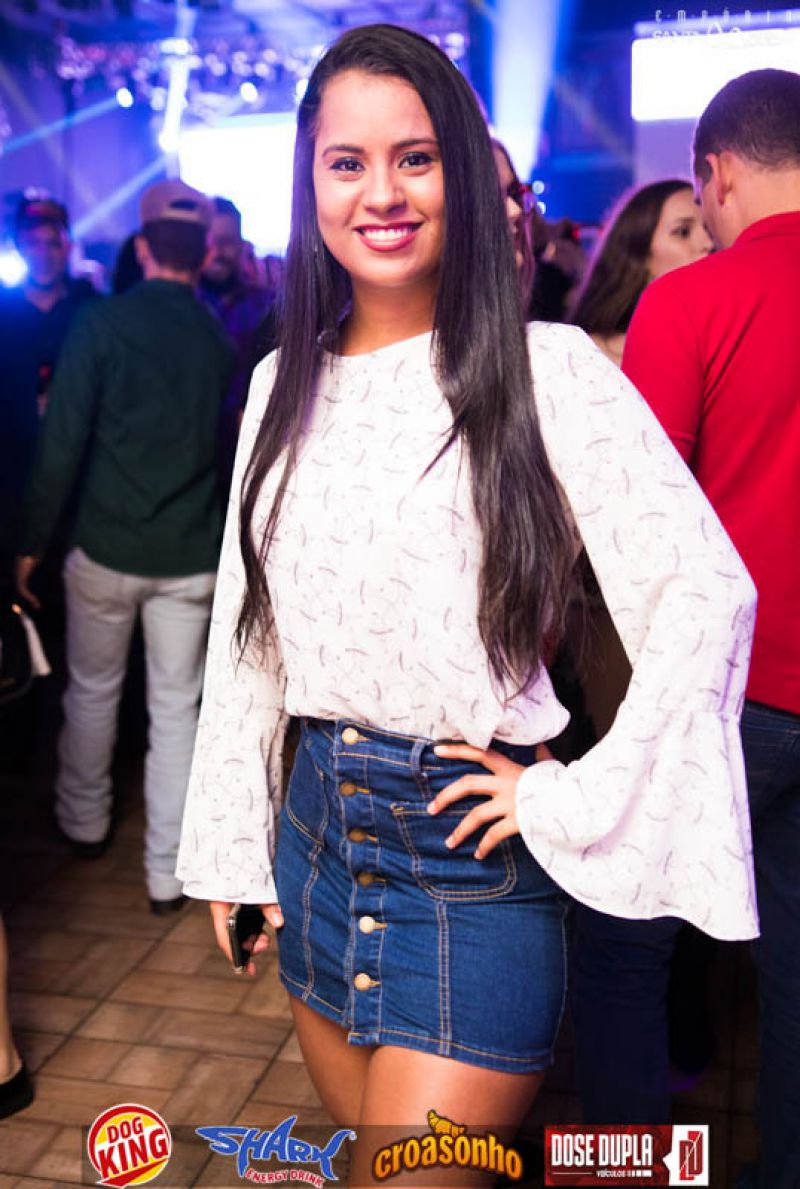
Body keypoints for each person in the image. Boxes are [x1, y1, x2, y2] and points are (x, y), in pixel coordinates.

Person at [177, 24, 757, 1186]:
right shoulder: (280, 381)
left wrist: (568, 790)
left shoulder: (548, 370)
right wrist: (231, 847)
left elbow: (707, 590)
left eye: (416, 158)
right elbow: (251, 633)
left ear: (463, 175)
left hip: (464, 863)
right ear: (308, 182)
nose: (381, 193)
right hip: (316, 839)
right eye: (346, 162)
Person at [614, 68, 800, 1189]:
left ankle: (631, 1175)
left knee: (621, 942)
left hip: (729, 692)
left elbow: (638, 527)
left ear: (716, 175)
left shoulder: (689, 301)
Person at [15, 180, 234, 912]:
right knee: (177, 713)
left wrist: (30, 544)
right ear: (202, 254)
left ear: (141, 249)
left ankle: (84, 826)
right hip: (191, 556)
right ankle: (167, 873)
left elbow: (62, 440)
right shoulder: (215, 337)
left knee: (92, 693)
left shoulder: (101, 323)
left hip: (105, 548)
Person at [0, 196, 95, 576]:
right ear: (20, 247)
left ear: (68, 246)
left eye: (52, 243)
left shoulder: (89, 308)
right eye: (34, 243)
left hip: (78, 478)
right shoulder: (5, 309)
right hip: (11, 471)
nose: (43, 254)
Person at [570, 179, 712, 366]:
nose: (708, 244)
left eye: (711, 230)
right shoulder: (589, 357)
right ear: (639, 254)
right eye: (683, 232)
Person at [200, 197, 277, 492]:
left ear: (242, 244)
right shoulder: (185, 305)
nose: (219, 251)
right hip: (192, 453)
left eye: (228, 241)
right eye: (212, 240)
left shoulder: (266, 307)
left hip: (250, 452)